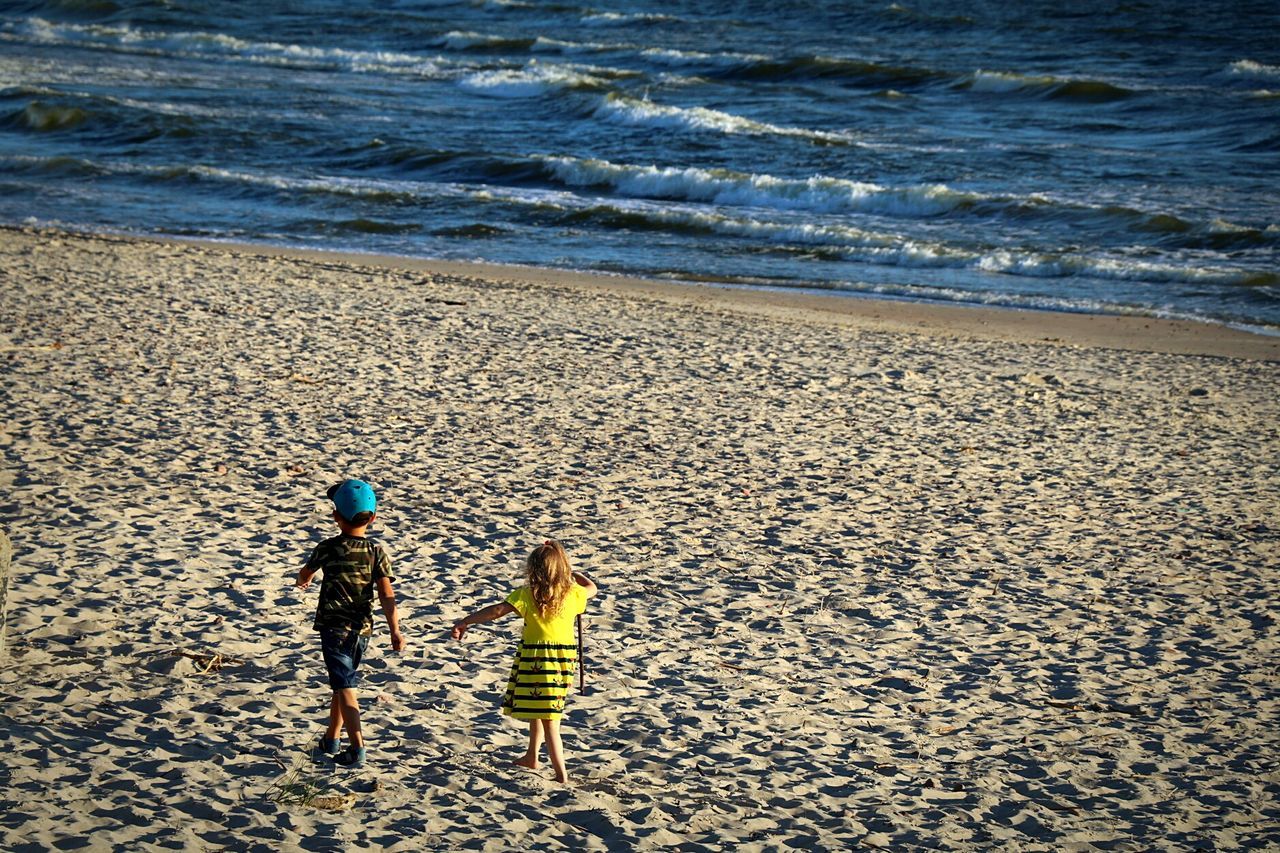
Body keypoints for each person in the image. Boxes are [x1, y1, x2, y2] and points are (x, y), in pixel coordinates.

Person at [451, 540, 596, 784]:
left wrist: (467, 620)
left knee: (550, 717)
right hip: (562, 660)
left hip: (536, 659)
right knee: (538, 708)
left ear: (533, 570)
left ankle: (561, 774)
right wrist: (572, 572)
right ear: (563, 569)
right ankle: (532, 756)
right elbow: (592, 587)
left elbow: (496, 611)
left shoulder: (527, 595)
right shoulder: (573, 594)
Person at [295, 479, 405, 769]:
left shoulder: (328, 548)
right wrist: (395, 629)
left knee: (345, 685)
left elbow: (305, 573)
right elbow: (386, 594)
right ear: (374, 517)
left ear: (336, 516)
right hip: (362, 628)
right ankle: (331, 738)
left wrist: (303, 581)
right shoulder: (376, 552)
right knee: (341, 682)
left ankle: (357, 747)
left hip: (334, 626)